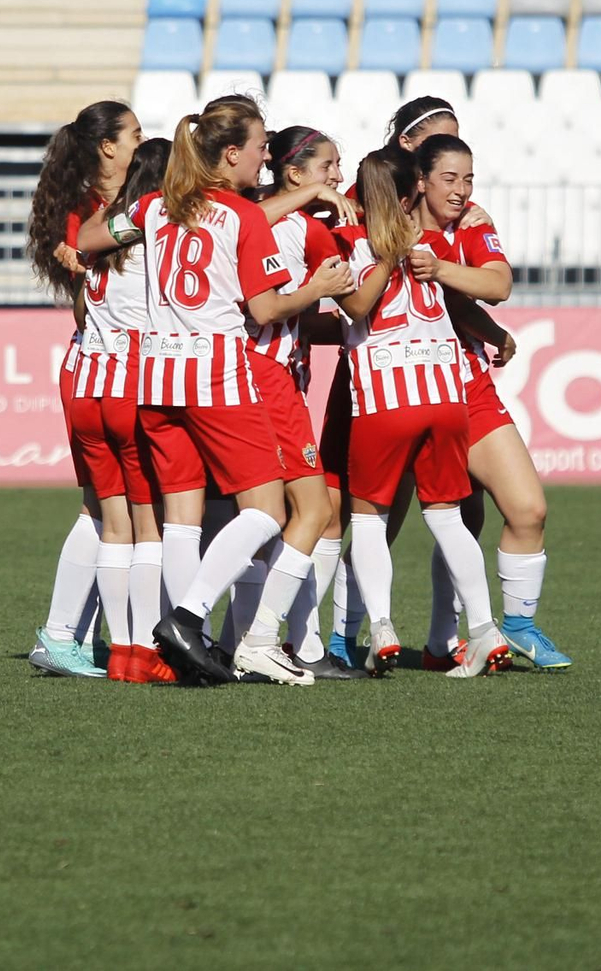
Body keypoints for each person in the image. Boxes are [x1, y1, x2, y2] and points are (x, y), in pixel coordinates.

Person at [76, 97, 353, 687]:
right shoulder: (242, 217)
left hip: (155, 375)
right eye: (258, 149)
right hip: (217, 374)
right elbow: (266, 307)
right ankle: (188, 618)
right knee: (267, 512)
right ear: (231, 154)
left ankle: (187, 646)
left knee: (181, 520)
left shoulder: (154, 206)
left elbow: (93, 235)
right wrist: (320, 287)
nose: (265, 159)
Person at [331, 147, 510, 678]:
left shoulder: (346, 245)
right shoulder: (433, 243)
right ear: (414, 192)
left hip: (386, 397)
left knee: (368, 520)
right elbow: (469, 299)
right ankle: (482, 629)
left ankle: (381, 625)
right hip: (446, 396)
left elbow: (357, 308)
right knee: (449, 518)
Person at [407, 133, 571, 669]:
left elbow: (497, 284)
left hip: (468, 388)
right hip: (401, 392)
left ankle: (517, 625)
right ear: (421, 178)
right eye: (450, 179)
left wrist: (444, 273)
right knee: (371, 525)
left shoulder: (472, 225)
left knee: (525, 509)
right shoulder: (387, 224)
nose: (461, 190)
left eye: (469, 178)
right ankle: (340, 639)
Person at [24, 100, 143, 678]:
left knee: (114, 507)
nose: (142, 144)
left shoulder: (121, 202)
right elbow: (83, 297)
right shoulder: (87, 212)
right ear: (108, 147)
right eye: (135, 134)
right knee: (103, 506)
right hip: (102, 367)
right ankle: (61, 632)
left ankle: (88, 633)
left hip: (115, 367)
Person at [245, 125, 363, 678]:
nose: (338, 176)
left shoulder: (241, 217)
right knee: (313, 512)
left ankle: (240, 641)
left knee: (249, 516)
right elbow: (359, 295)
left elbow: (294, 313)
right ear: (294, 176)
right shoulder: (298, 229)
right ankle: (279, 640)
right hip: (269, 382)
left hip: (237, 378)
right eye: (328, 167)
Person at [70, 138, 177, 684]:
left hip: (88, 384)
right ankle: (141, 649)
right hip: (132, 387)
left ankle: (118, 655)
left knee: (113, 527)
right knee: (149, 527)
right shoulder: (160, 233)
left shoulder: (103, 230)